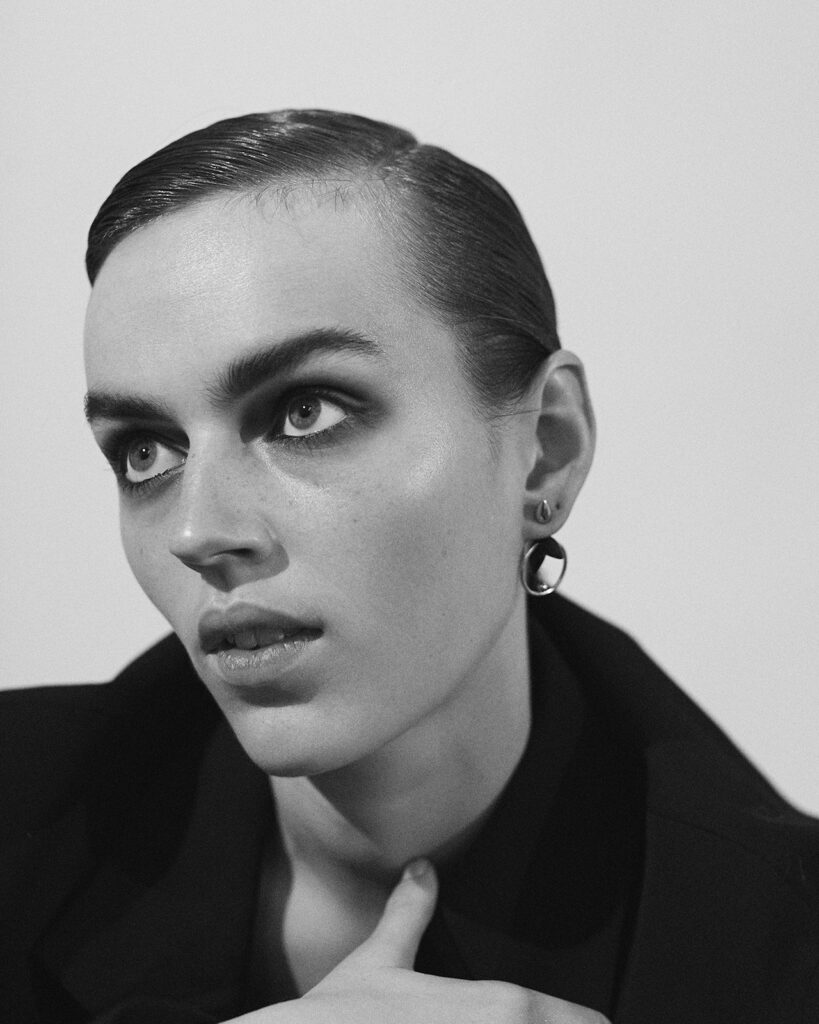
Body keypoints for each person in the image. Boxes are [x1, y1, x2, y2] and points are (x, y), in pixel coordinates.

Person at [1, 110, 817, 1024]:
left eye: (306, 412)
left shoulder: (772, 957)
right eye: (146, 451)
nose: (198, 531)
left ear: (545, 451)